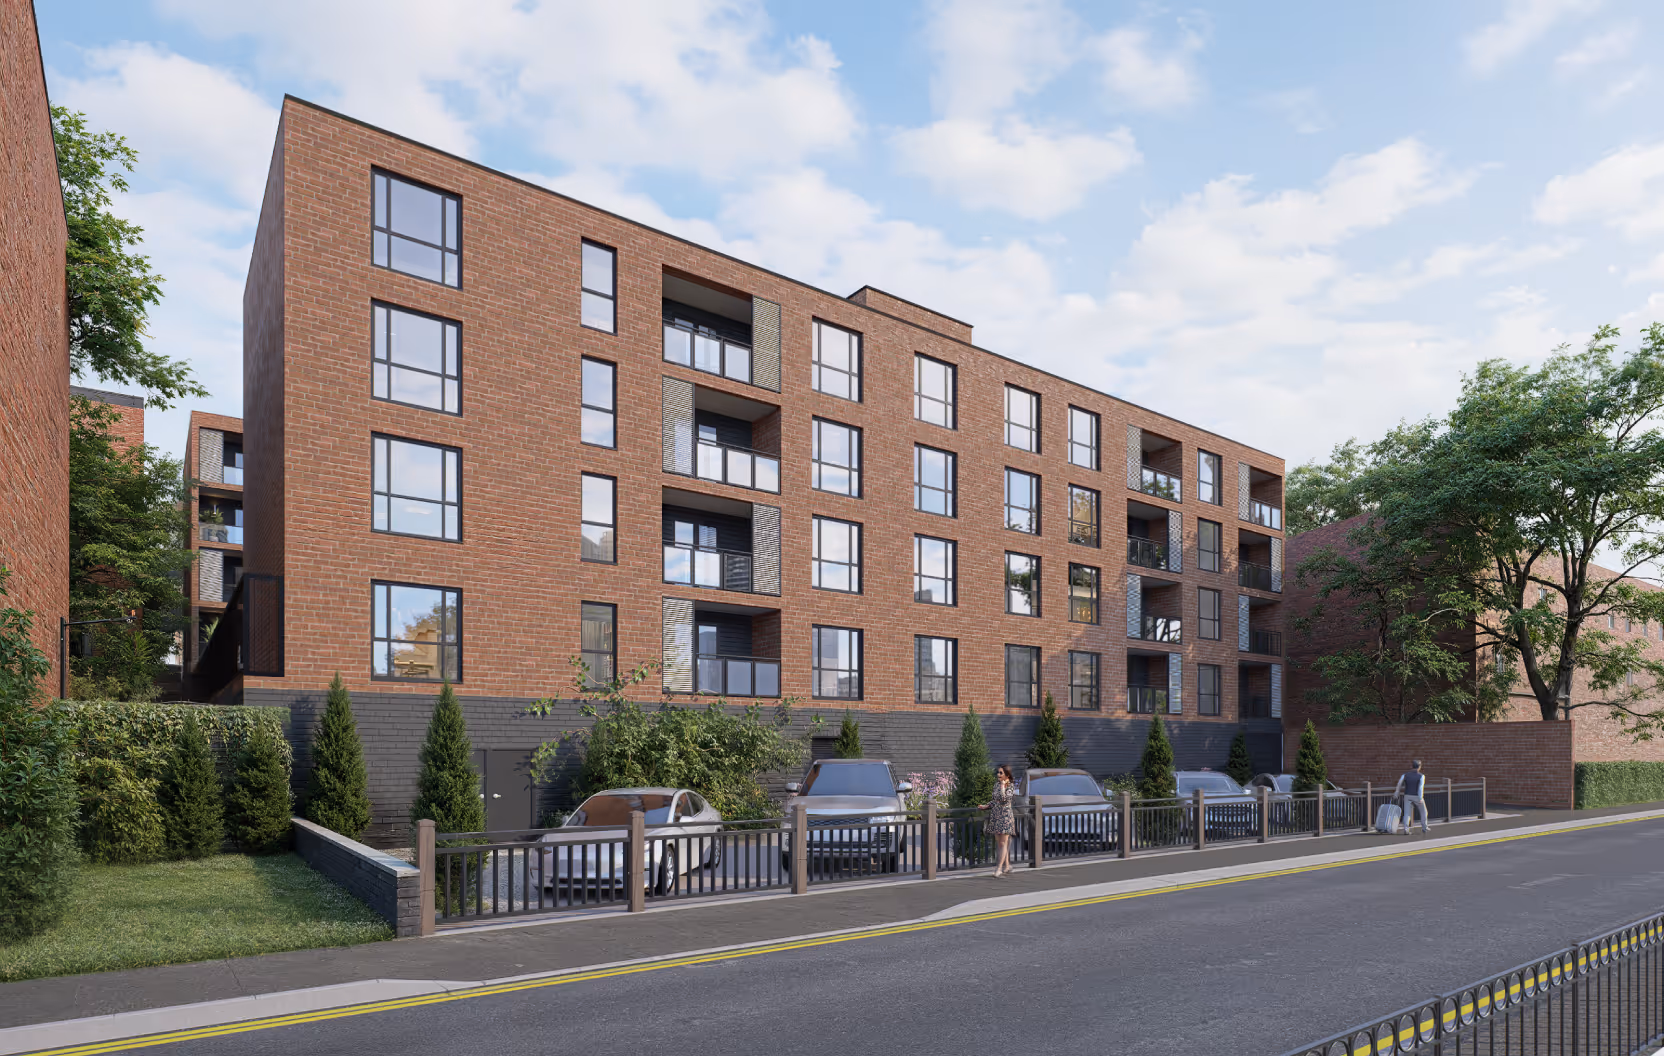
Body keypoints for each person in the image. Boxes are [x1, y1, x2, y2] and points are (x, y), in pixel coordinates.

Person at [980, 764, 1018, 877]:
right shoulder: (996, 785)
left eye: (1001, 773)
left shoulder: (1010, 786)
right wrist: (986, 806)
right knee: (1001, 843)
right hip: (996, 816)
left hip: (1005, 817)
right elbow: (995, 800)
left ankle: (999, 868)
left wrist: (1002, 787)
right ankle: (1007, 866)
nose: (998, 775)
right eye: (998, 772)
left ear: (1007, 775)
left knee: (1002, 843)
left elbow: (1005, 799)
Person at [1394, 759, 1431, 835]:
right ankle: (1424, 827)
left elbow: (1399, 784)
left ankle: (1406, 829)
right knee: (1424, 811)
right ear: (1419, 767)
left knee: (1407, 813)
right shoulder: (1421, 776)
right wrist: (1420, 798)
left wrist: (1396, 793)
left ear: (1412, 766)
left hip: (1407, 795)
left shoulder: (1405, 775)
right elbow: (1420, 788)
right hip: (1417, 796)